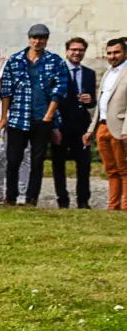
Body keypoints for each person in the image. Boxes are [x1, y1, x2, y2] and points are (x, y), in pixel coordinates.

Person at [0, 23, 67, 206]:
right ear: (29, 39)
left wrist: (49, 117)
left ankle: (31, 198)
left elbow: (59, 90)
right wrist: (4, 117)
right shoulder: (15, 60)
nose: (37, 41)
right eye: (34, 37)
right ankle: (10, 197)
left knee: (37, 161)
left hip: (42, 117)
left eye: (41, 38)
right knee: (13, 160)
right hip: (18, 117)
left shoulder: (56, 61)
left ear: (46, 40)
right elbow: (6, 91)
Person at [52, 37, 96, 209]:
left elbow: (92, 103)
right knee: (59, 165)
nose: (77, 53)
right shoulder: (58, 71)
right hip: (62, 125)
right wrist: (55, 126)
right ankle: (62, 200)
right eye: (74, 50)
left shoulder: (89, 73)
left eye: (81, 50)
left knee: (84, 165)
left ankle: (83, 201)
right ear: (67, 51)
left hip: (81, 126)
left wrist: (90, 100)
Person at [88, 37, 126, 210]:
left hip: (120, 128)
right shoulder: (107, 73)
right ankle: (113, 206)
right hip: (102, 126)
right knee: (110, 170)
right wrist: (91, 129)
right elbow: (101, 103)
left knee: (124, 169)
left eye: (116, 52)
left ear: (125, 52)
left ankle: (125, 207)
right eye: (109, 53)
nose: (112, 56)